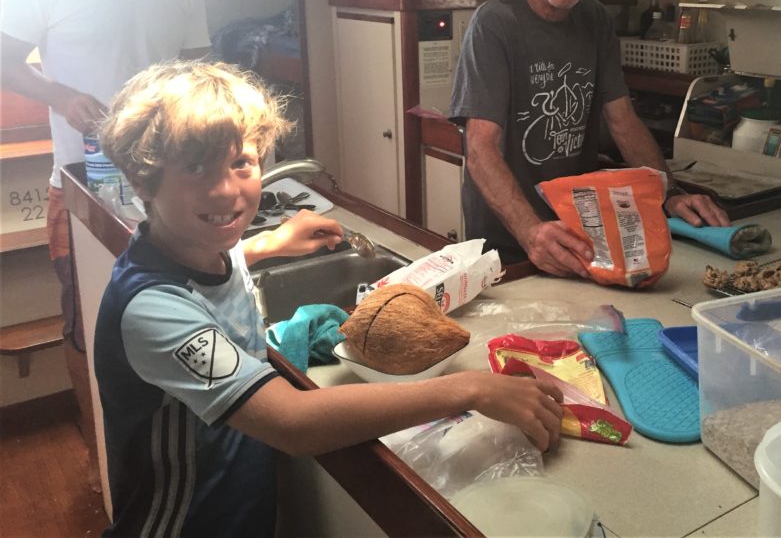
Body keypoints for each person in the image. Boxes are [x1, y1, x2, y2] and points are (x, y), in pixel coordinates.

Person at [94, 61, 563, 536]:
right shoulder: (152, 309)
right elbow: (292, 423)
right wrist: (470, 389)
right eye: (195, 168)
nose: (226, 190)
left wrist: (267, 244)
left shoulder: (201, 249)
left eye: (241, 163)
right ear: (141, 180)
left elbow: (224, 262)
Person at [0, 0, 210, 487]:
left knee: (172, 319)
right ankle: (104, 460)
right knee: (88, 328)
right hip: (86, 187)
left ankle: (170, 456)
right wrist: (60, 94)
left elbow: (197, 79)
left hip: (166, 191)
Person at [450, 0, 729, 277]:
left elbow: (622, 121)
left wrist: (670, 194)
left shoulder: (596, 19)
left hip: (582, 232)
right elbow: (480, 147)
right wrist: (531, 232)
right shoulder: (494, 25)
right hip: (511, 241)